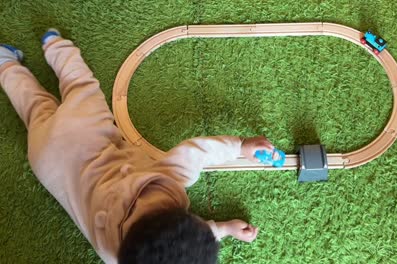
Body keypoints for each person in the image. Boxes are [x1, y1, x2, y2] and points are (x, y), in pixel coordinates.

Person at [0, 29, 278, 263]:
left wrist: (240, 147)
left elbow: (195, 153)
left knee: (79, 85)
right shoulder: (114, 253)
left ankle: (55, 45)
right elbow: (173, 246)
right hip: (46, 160)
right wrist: (224, 228)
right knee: (35, 107)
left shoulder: (163, 184)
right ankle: (5, 63)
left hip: (83, 133)